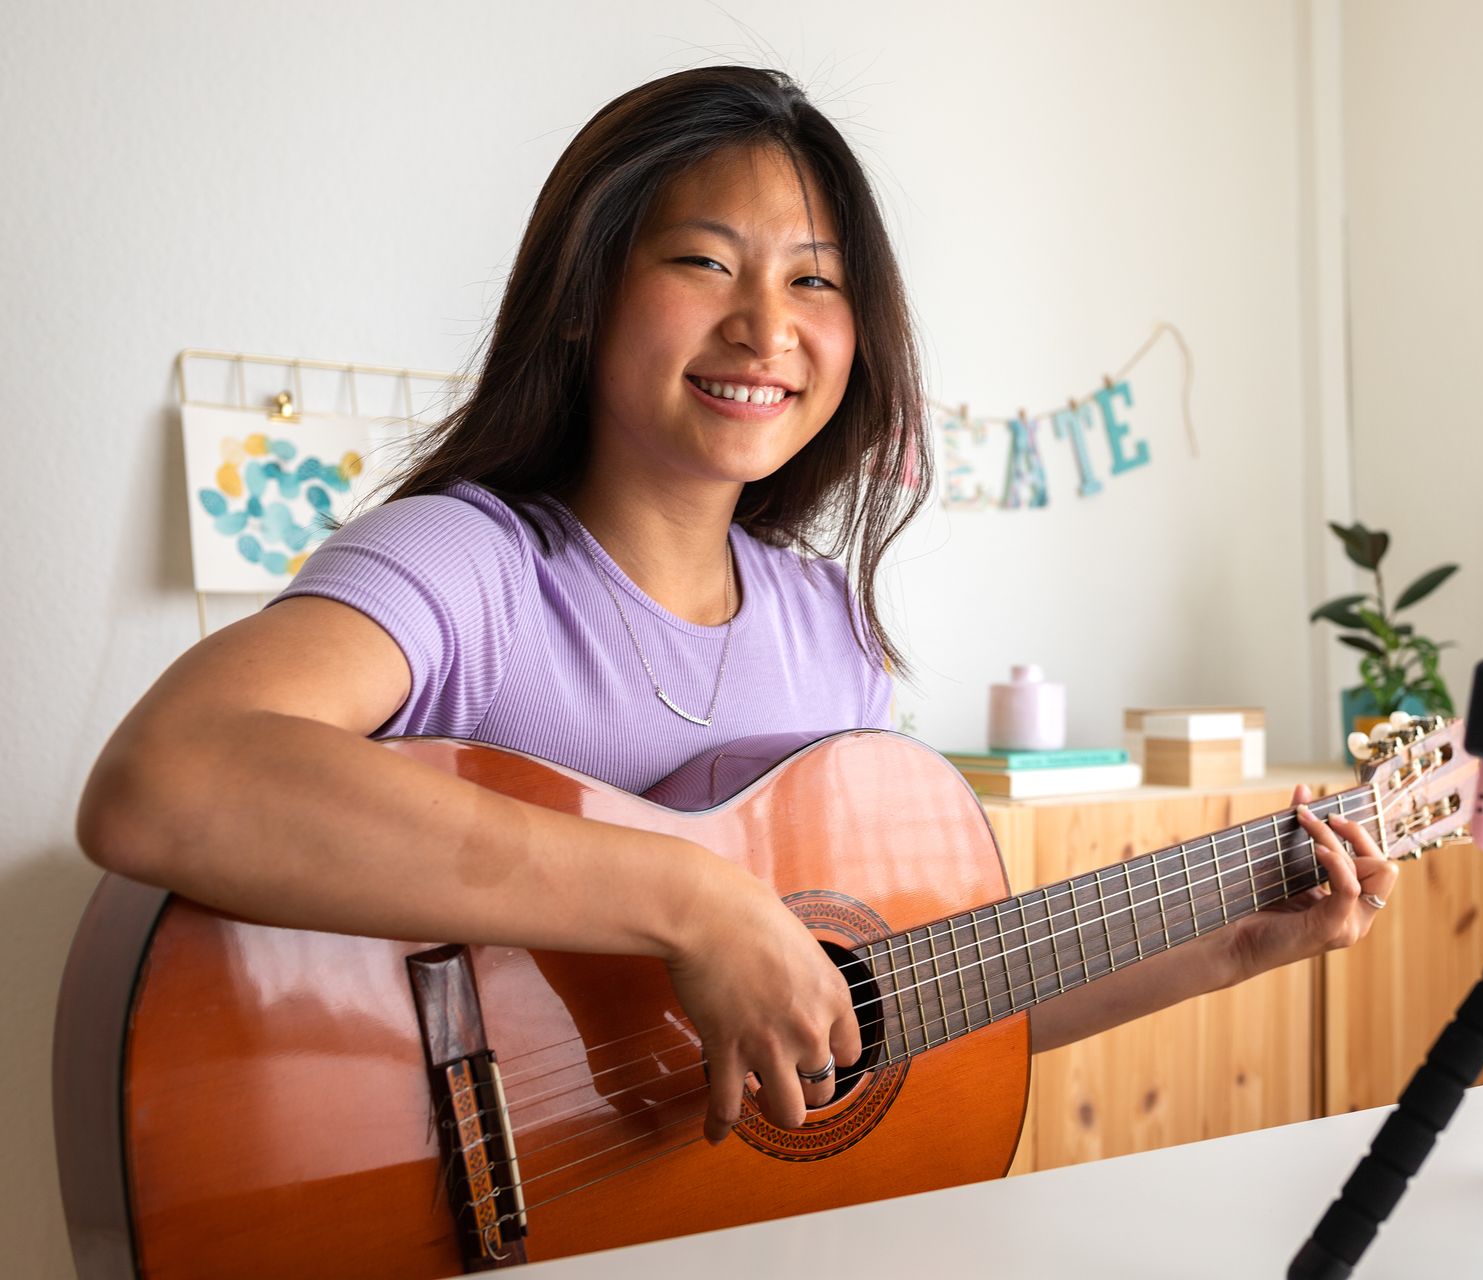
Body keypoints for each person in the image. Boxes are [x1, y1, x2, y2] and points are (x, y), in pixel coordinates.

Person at [76, 66, 1398, 1150]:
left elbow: (873, 1017)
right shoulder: (470, 565)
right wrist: (694, 905)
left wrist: (1230, 951)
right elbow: (166, 780)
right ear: (586, 298)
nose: (768, 325)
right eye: (707, 262)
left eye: (816, 281)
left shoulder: (828, 631)